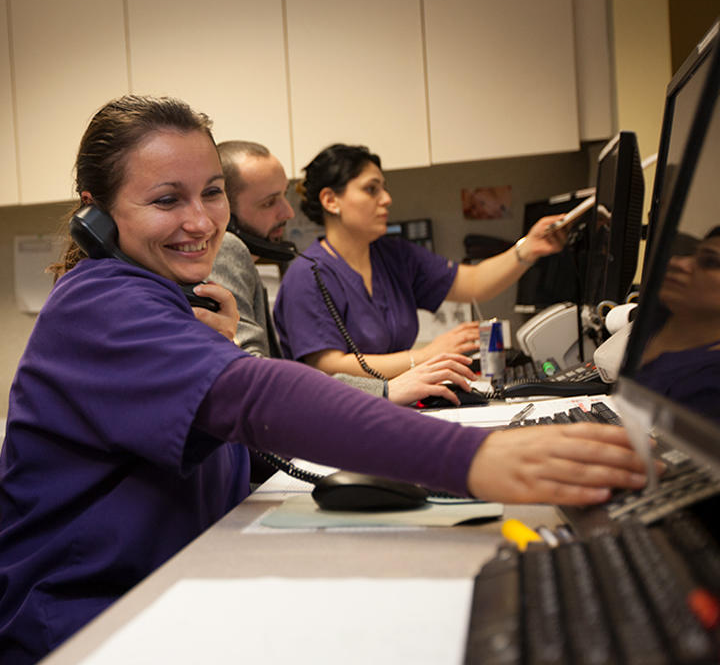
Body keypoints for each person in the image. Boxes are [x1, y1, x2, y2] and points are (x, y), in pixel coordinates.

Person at [0, 95, 653, 664]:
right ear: (97, 212)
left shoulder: (175, 306)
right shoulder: (100, 303)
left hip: (162, 591)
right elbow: (257, 397)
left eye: (211, 192)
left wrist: (217, 355)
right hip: (84, 627)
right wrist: (473, 458)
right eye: (166, 199)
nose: (200, 221)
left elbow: (226, 444)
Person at [211, 140, 479, 407]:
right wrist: (386, 388)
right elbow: (253, 377)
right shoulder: (230, 250)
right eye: (270, 203)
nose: (288, 212)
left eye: (284, 197)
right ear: (226, 212)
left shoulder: (247, 264)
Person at [273, 143, 568, 380]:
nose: (387, 199)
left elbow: (473, 283)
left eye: (384, 188)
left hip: (399, 403)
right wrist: (427, 356)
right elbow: (328, 367)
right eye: (371, 189)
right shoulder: (308, 275)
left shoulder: (394, 256)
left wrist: (527, 249)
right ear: (330, 201)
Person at [636, 226, 720, 419]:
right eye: (692, 255)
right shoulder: (656, 319)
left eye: (710, 262)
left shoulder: (711, 383)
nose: (678, 263)